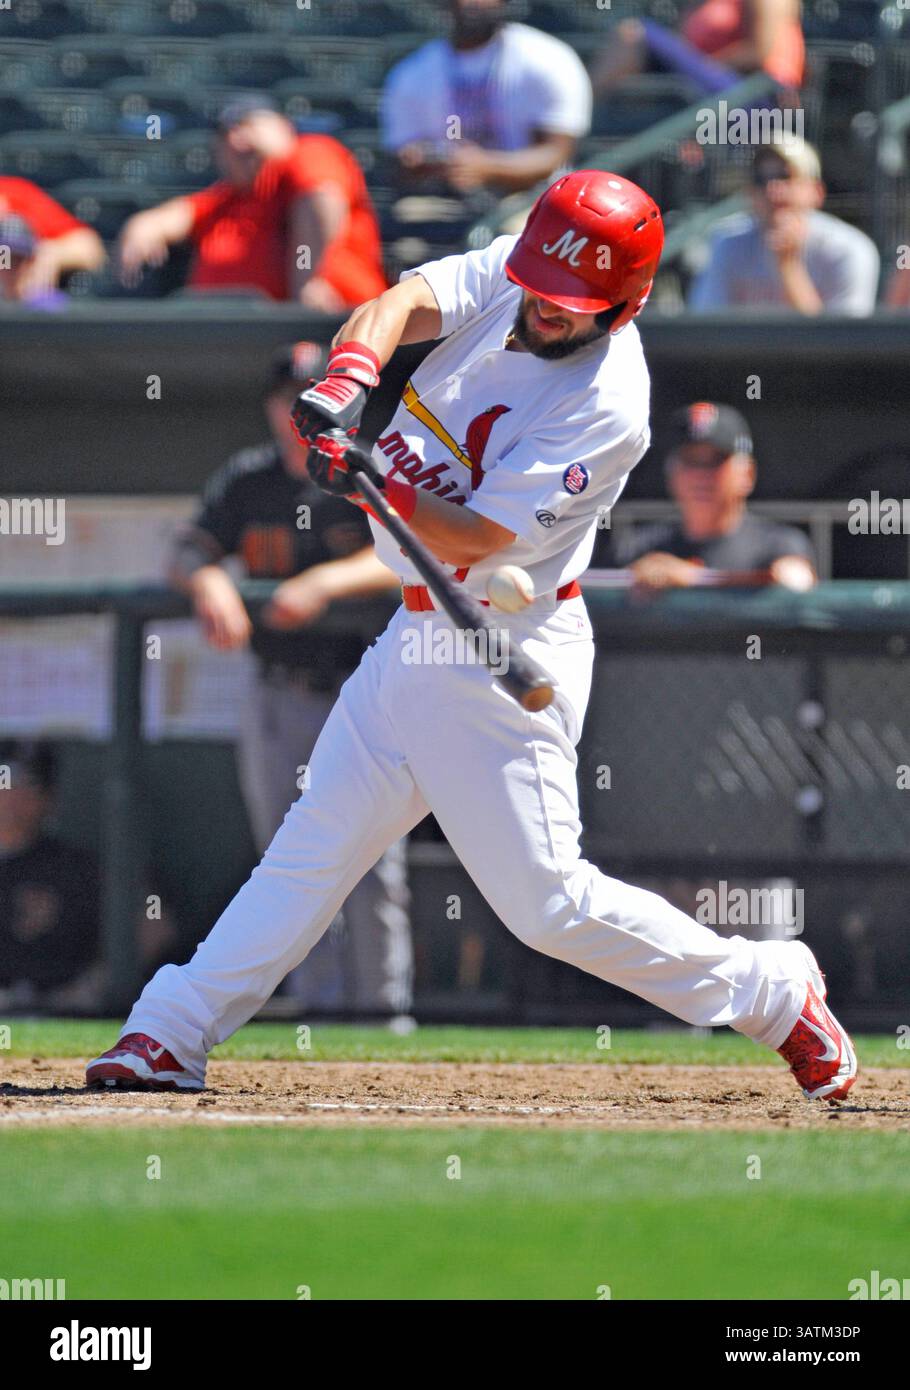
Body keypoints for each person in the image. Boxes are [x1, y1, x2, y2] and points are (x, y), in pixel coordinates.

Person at [87, 170, 856, 1107]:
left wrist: (361, 470)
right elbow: (401, 300)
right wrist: (349, 382)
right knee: (315, 843)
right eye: (536, 286)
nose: (540, 308)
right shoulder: (528, 267)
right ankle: (171, 1031)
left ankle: (772, 992)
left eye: (567, 306)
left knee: (549, 906)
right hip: (413, 639)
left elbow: (476, 536)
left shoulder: (609, 401)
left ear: (625, 303)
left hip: (499, 639)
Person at [167, 341, 412, 1019]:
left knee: (369, 859)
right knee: (289, 861)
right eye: (289, 396)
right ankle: (317, 1010)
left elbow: (408, 555)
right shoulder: (247, 481)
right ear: (275, 406)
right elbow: (187, 550)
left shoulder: (361, 467)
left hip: (360, 692)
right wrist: (208, 577)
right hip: (276, 689)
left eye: (313, 392)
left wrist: (324, 582)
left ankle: (385, 1016)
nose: (299, 409)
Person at [117, 98, 387, 311]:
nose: (236, 140)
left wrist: (308, 281)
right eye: (225, 135)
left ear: (283, 127)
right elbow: (167, 218)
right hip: (225, 338)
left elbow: (321, 197)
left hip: (328, 327)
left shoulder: (308, 152)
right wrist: (142, 228)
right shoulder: (225, 198)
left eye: (247, 125)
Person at [381, 0, 591, 197]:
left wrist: (488, 167)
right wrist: (419, 161)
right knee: (413, 215)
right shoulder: (412, 72)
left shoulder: (548, 58)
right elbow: (400, 161)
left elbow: (557, 153)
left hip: (533, 199)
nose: (469, 3)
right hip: (445, 200)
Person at [605, 401, 817, 591]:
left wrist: (693, 579)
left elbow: (797, 584)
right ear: (670, 473)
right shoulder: (640, 547)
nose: (701, 475)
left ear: (748, 474)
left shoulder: (779, 544)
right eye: (691, 461)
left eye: (715, 461)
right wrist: (638, 578)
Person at [689, 135, 880, 315]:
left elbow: (842, 345)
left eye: (785, 176)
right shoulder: (726, 242)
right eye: (761, 180)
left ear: (817, 191)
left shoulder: (850, 250)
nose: (773, 189)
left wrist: (789, 267)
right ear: (750, 193)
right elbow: (707, 334)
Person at [0, 740, 101, 1009]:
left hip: (65, 1006)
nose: (14, 796)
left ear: (48, 798)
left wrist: (95, 984)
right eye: (7, 781)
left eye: (29, 785)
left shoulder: (74, 866)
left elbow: (153, 925)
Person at [591, 0, 804, 99]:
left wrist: (702, 66)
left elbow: (759, 53)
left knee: (636, 32)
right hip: (708, 90)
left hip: (761, 93)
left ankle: (579, 104)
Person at [0, 178, 105, 300]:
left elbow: (90, 248)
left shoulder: (12, 193)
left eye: (17, 261)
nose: (10, 267)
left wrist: (48, 255)